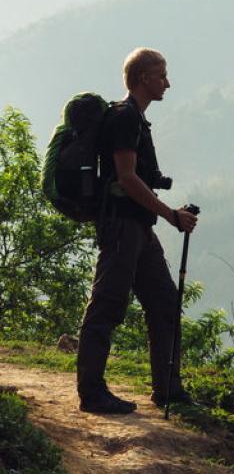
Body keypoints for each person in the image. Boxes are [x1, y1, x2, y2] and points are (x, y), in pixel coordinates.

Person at [74, 48, 200, 415]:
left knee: (164, 303)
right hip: (122, 226)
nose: (168, 83)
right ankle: (92, 393)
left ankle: (168, 389)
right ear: (143, 77)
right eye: (162, 75)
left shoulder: (135, 119)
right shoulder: (125, 119)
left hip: (137, 227)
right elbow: (127, 179)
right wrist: (170, 215)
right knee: (107, 305)